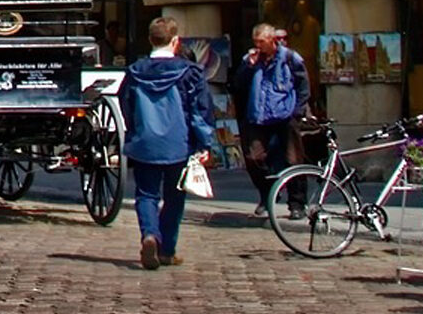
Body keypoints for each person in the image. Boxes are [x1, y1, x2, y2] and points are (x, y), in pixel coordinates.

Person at [119, 16, 217, 271]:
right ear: (175, 41)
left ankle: (150, 235)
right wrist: (205, 144)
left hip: (145, 141)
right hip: (178, 143)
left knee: (146, 194)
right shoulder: (189, 72)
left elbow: (126, 106)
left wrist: (134, 131)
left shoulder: (134, 71)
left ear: (150, 40)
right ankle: (167, 251)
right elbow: (200, 110)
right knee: (175, 197)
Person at [232, 22, 310, 219]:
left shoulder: (290, 58)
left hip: (285, 115)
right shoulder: (250, 59)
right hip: (258, 116)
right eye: (255, 41)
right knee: (254, 158)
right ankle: (268, 195)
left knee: (293, 160)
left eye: (261, 41)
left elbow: (303, 85)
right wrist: (249, 67)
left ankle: (297, 203)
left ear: (272, 40)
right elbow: (238, 85)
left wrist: (297, 110)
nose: (258, 46)